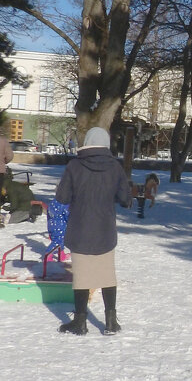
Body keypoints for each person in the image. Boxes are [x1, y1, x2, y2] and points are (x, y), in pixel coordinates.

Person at [55, 127, 132, 335]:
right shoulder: (115, 168)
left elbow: (61, 198)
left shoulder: (74, 166)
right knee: (107, 275)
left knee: (81, 276)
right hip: (105, 229)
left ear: (87, 142)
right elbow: (126, 200)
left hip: (80, 229)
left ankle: (80, 322)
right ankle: (110, 322)